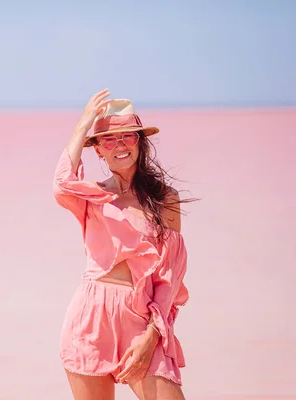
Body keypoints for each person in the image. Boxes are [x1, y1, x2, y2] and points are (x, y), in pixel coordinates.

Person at [53, 89, 195, 400]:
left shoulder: (164, 199)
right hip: (90, 317)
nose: (120, 145)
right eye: (108, 140)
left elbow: (169, 278)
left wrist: (152, 335)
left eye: (128, 137)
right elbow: (61, 183)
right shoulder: (90, 195)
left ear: (140, 143)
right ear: (98, 151)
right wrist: (84, 123)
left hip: (142, 316)